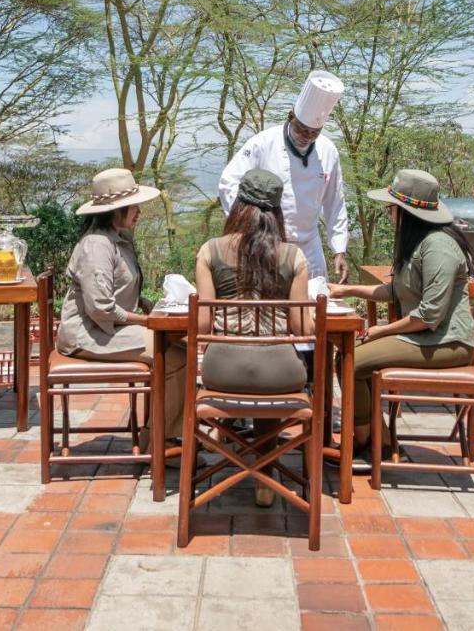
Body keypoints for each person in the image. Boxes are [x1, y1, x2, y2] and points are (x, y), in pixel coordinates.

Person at [329, 170, 474, 467]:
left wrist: (381, 331)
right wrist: (346, 290)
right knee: (351, 357)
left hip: (447, 342)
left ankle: (365, 443)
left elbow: (429, 315)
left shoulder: (439, 247)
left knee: (351, 360)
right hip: (426, 336)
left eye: (391, 208)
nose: (389, 214)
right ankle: (378, 442)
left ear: (405, 212)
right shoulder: (419, 243)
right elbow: (396, 291)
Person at [194, 168, 314, 507]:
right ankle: (265, 477)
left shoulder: (210, 251)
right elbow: (303, 328)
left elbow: (202, 327)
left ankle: (228, 454)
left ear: (238, 207)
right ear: (276, 212)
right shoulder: (294, 256)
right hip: (281, 374)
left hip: (221, 371)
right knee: (269, 370)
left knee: (252, 370)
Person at [57, 168, 186, 445]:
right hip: (90, 334)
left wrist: (152, 306)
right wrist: (146, 322)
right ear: (115, 210)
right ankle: (161, 440)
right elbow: (100, 307)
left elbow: (123, 289)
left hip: (110, 329)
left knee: (179, 350)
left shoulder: (120, 239)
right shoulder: (96, 246)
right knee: (176, 356)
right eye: (133, 206)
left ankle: (162, 433)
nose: (138, 211)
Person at [218, 70, 350, 283]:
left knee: (313, 309)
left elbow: (335, 202)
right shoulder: (263, 143)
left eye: (314, 132)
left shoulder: (328, 150)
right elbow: (228, 182)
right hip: (267, 244)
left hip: (309, 247)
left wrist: (339, 249)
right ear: (290, 117)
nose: (307, 137)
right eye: (302, 130)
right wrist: (248, 225)